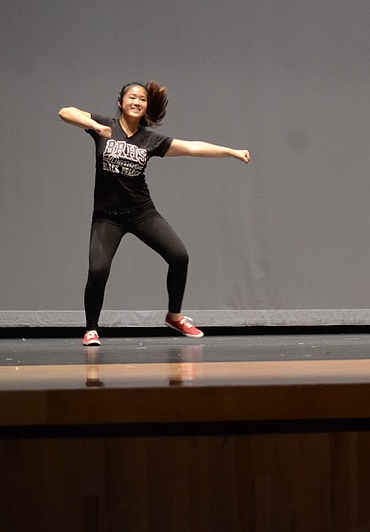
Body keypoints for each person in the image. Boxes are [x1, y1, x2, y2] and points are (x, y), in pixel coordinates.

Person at [59, 81, 250, 346]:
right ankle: (91, 329)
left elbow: (192, 147)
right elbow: (66, 112)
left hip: (141, 212)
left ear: (146, 106)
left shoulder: (150, 139)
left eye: (142, 99)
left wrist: (231, 151)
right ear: (121, 102)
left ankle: (174, 316)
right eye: (132, 97)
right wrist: (94, 126)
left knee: (179, 256)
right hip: (108, 216)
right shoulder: (106, 126)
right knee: (98, 270)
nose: (137, 102)